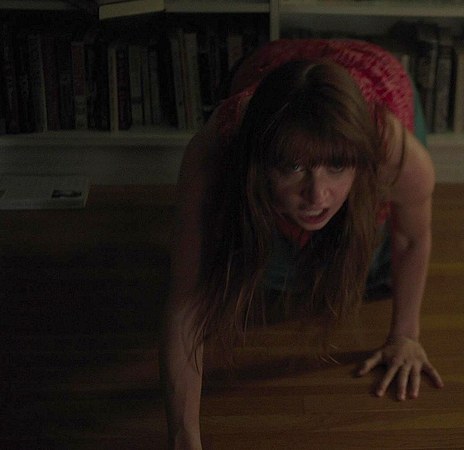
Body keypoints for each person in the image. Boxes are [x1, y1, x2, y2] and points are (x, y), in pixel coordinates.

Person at [160, 39, 444, 449]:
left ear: (359, 161)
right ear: (259, 163)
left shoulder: (394, 153)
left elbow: (412, 238)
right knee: (261, 266)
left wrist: (406, 335)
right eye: (293, 166)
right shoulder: (217, 148)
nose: (317, 195)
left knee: (371, 266)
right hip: (268, 63)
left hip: (376, 70)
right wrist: (184, 438)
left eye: (337, 166)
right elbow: (186, 296)